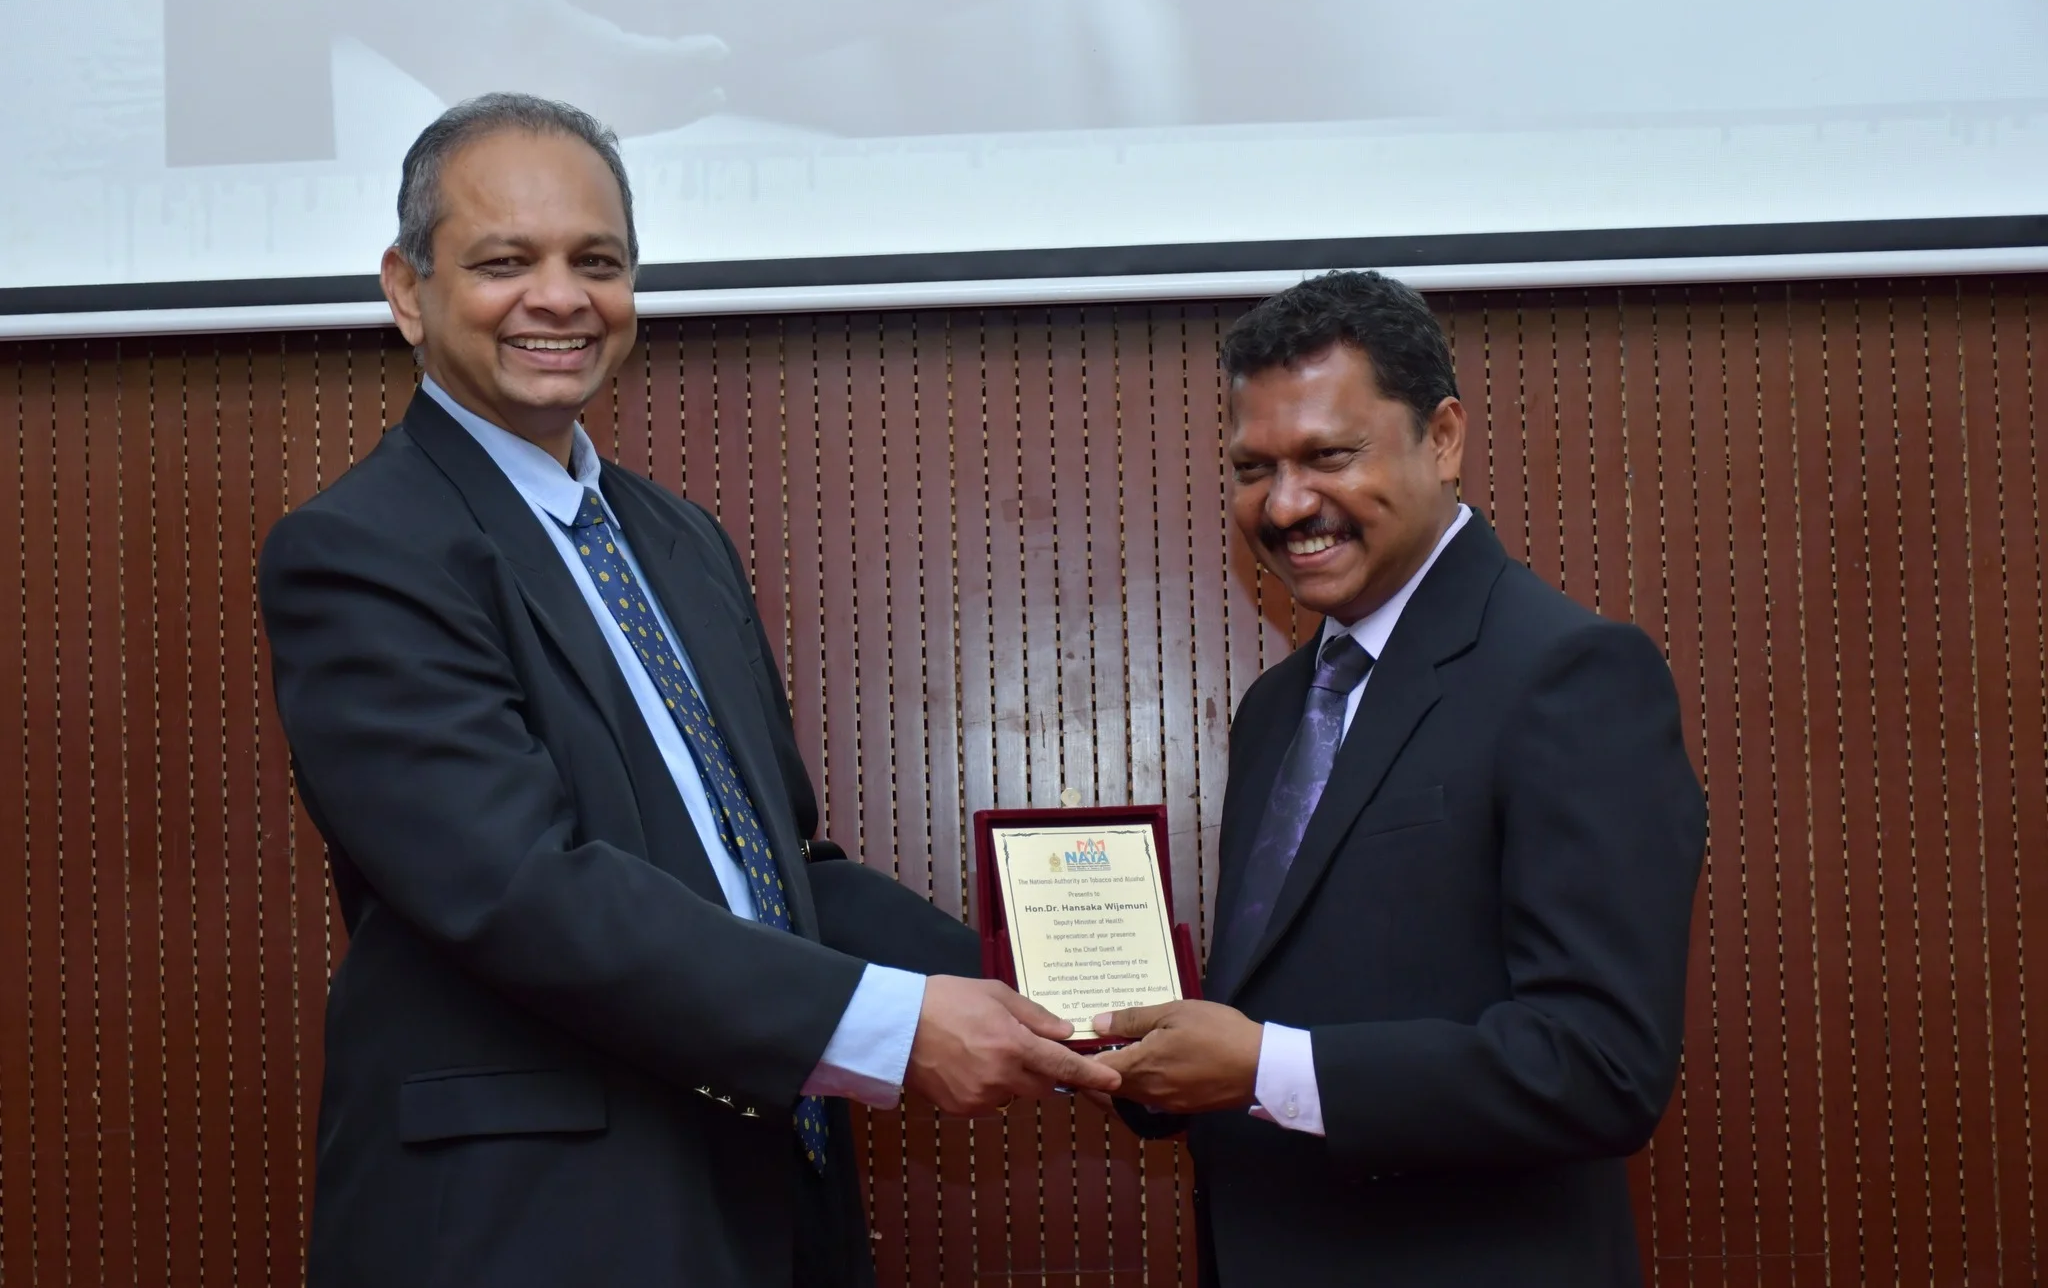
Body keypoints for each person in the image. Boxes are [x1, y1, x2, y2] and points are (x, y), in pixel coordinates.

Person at [257, 92, 1118, 1288]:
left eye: (596, 262)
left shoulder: (675, 541)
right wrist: (886, 1026)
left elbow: (781, 875)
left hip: (760, 1200)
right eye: (505, 262)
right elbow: (521, 888)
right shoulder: (361, 551)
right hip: (531, 1231)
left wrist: (1066, 994)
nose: (560, 297)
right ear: (407, 290)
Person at [1092, 270, 1706, 1286]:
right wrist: (1146, 1057)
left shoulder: (1571, 674)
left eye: (1328, 456)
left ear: (1444, 438)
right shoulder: (1276, 709)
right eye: (1252, 467)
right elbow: (1285, 998)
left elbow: (1600, 1065)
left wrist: (1262, 1067)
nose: (1285, 503)